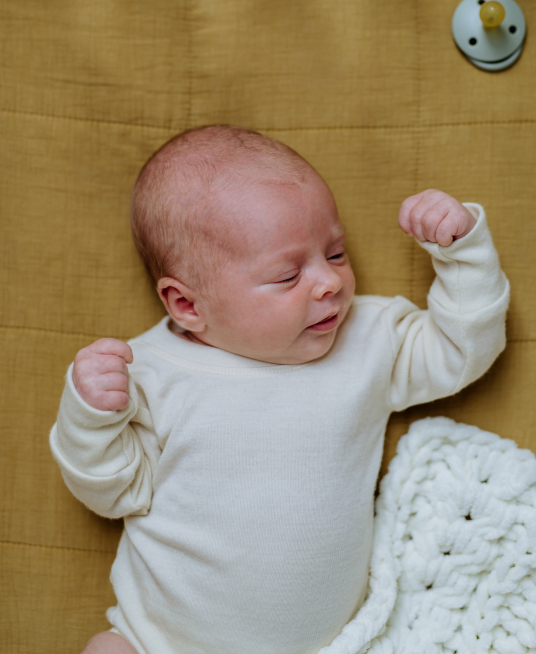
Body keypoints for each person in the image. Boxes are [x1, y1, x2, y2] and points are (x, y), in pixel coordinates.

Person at [50, 125, 510, 654]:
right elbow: (111, 491)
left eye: (335, 253)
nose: (330, 282)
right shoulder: (151, 375)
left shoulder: (366, 338)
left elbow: (462, 351)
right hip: (160, 642)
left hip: (334, 644)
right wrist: (89, 415)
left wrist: (463, 255)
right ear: (187, 305)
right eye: (288, 275)